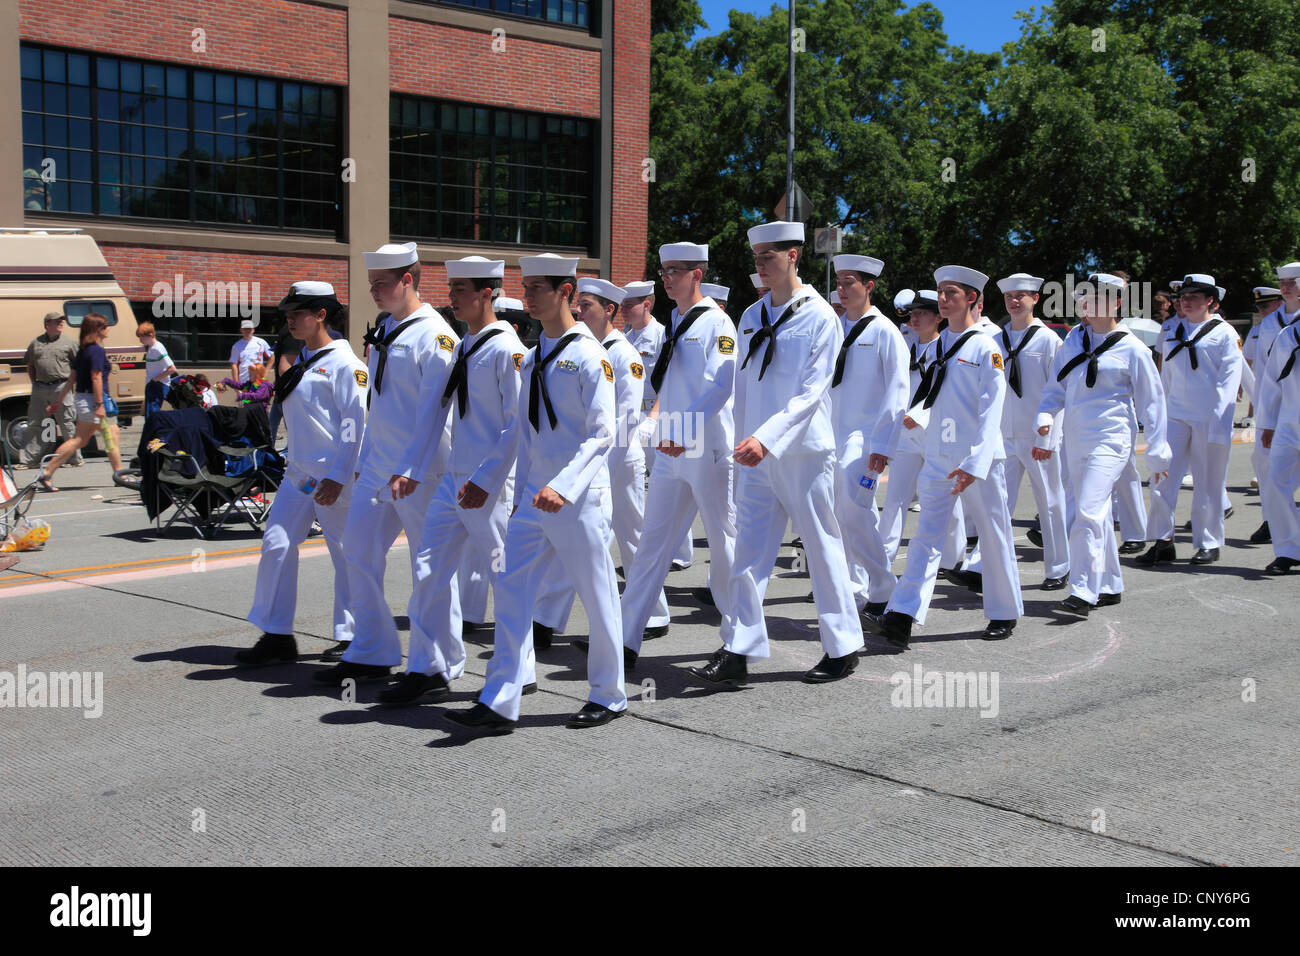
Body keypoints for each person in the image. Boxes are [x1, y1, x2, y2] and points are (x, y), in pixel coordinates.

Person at [444, 253, 626, 733]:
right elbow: (519, 431)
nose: (526, 296)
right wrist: (486, 479)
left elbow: (602, 435)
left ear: (565, 293)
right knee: (510, 589)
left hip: (578, 499)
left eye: (537, 288)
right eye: (524, 288)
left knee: (598, 595)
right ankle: (501, 698)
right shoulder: (533, 354)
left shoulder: (591, 355)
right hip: (531, 499)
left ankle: (608, 694)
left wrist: (564, 487)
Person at [690, 221, 862, 687]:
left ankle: (843, 646)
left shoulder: (821, 316)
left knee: (823, 549)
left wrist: (765, 437)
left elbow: (811, 392)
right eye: (757, 256)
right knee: (747, 553)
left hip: (802, 453)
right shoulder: (750, 315)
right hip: (755, 454)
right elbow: (738, 384)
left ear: (794, 256)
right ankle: (739, 648)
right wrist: (732, 438)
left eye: (769, 255)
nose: (760, 264)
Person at [317, 241, 463, 679]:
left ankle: (436, 665)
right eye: (371, 284)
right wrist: (365, 458)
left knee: (429, 567)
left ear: (407, 280)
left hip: (421, 468)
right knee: (357, 548)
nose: (374, 291)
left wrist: (413, 467)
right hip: (379, 464)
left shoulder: (435, 335)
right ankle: (372, 648)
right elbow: (376, 405)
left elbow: (434, 412)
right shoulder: (386, 329)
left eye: (381, 283)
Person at [393, 257, 526, 703]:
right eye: (450, 290)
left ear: (487, 293)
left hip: (487, 485)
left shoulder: (507, 349)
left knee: (504, 578)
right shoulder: (461, 347)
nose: (452, 298)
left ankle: (518, 667)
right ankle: (429, 665)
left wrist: (487, 479)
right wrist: (412, 468)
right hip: (453, 481)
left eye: (461, 290)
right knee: (428, 571)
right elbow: (433, 413)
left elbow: (516, 425)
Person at [876, 265, 1023, 648]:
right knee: (925, 536)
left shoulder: (986, 345)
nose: (942, 299)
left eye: (951, 293)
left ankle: (1004, 610)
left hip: (979, 460)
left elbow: (993, 410)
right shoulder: (939, 344)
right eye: (940, 292)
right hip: (940, 454)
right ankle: (903, 614)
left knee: (993, 535)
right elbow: (929, 395)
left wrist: (975, 461)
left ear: (971, 298)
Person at [234, 282, 367, 665]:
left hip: (334, 477)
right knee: (276, 544)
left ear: (321, 314)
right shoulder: (302, 361)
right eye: (288, 313)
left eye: (298, 312)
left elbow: (355, 424)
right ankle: (277, 634)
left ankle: (353, 635)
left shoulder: (346, 365)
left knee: (345, 554)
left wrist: (341, 474)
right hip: (299, 475)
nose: (290, 319)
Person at [619, 242, 738, 665]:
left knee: (724, 546)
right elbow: (670, 385)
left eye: (675, 271)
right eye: (664, 270)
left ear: (697, 275)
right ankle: (625, 638)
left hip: (706, 449)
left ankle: (736, 641)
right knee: (653, 544)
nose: (667, 277)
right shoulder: (678, 320)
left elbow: (720, 387)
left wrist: (682, 431)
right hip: (673, 450)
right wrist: (653, 424)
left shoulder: (718, 324)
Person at [544, 278, 670, 655]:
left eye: (587, 305)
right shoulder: (583, 348)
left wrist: (597, 466)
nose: (579, 311)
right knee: (582, 540)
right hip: (590, 462)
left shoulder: (624, 354)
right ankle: (546, 619)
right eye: (578, 304)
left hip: (618, 460)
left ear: (610, 310)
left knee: (633, 539)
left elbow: (628, 419)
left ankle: (654, 615)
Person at [1036, 273, 1170, 616]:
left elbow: (1152, 401)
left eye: (1096, 297)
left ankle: (1083, 591)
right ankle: (1110, 584)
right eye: (1084, 297)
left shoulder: (1133, 347)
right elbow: (1056, 387)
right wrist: (1046, 414)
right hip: (1076, 439)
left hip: (1111, 439)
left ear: (1116, 304)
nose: (1088, 303)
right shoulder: (1073, 341)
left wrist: (1157, 445)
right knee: (1094, 512)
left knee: (1088, 512)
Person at [1139, 274, 1243, 566]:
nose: (1186, 300)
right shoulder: (1173, 330)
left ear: (1210, 300)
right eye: (1183, 296)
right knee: (1161, 478)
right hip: (1175, 415)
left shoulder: (1224, 333)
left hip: (1208, 418)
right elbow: (1165, 377)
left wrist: (1220, 424)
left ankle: (1208, 542)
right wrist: (1157, 413)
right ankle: (1163, 540)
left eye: (1194, 296)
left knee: (1208, 484)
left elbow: (1228, 381)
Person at [827, 253, 908, 624]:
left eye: (849, 283)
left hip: (865, 438)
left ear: (869, 287)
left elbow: (897, 390)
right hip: (829, 435)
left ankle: (882, 586)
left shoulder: (884, 331)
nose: (842, 290)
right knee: (839, 513)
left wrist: (883, 446)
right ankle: (855, 586)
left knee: (854, 510)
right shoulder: (833, 327)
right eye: (839, 283)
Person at [878, 290, 967, 572]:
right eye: (912, 314)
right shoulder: (906, 346)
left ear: (939, 318)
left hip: (935, 433)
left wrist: (919, 416)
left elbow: (949, 392)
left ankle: (954, 558)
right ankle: (883, 558)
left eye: (922, 314)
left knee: (941, 496)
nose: (914, 319)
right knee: (894, 500)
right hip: (905, 436)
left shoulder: (948, 349)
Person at [993, 273, 1069, 589]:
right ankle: (987, 568)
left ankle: (1059, 568)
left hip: (1037, 435)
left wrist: (1048, 438)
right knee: (996, 504)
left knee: (1050, 503)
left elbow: (1059, 392)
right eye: (1010, 295)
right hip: (1004, 435)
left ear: (1035, 299)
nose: (1014, 301)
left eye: (1021, 295)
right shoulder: (996, 340)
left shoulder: (1048, 339)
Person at [35, 313, 122, 491]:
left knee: (80, 440)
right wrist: (99, 406)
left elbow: (72, 378)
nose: (108, 329)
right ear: (96, 329)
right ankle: (121, 475)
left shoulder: (83, 350)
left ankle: (47, 472)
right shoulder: (96, 350)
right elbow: (96, 378)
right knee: (110, 436)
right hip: (94, 400)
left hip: (83, 398)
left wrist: (58, 401)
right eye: (105, 326)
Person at [1247, 263, 1300, 546]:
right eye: (1283, 282)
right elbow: (1269, 377)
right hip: (1287, 417)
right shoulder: (1269, 325)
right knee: (1275, 483)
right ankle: (1288, 550)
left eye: (1293, 281)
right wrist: (1265, 422)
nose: (1286, 286)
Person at [21, 311, 81, 467]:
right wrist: (34, 382)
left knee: (67, 423)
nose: (61, 323)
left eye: (62, 321)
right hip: (40, 387)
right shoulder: (36, 343)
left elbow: (78, 366)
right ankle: (30, 460)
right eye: (57, 321)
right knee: (35, 423)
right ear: (48, 325)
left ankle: (74, 458)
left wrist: (72, 385)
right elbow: (30, 364)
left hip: (62, 386)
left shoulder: (70, 342)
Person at [136, 322, 178, 420]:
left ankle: (155, 434)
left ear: (150, 335)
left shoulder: (157, 348)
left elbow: (172, 368)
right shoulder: (151, 348)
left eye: (142, 337)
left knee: (152, 416)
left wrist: (155, 380)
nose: (140, 340)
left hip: (157, 385)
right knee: (150, 416)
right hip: (154, 384)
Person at [229, 319, 273, 387]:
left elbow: (272, 356)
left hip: (259, 381)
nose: (247, 331)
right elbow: (233, 365)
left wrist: (266, 372)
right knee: (245, 397)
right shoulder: (236, 346)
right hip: (244, 381)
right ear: (241, 330)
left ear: (253, 330)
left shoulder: (261, 342)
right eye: (245, 329)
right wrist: (236, 383)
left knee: (258, 396)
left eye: (249, 329)